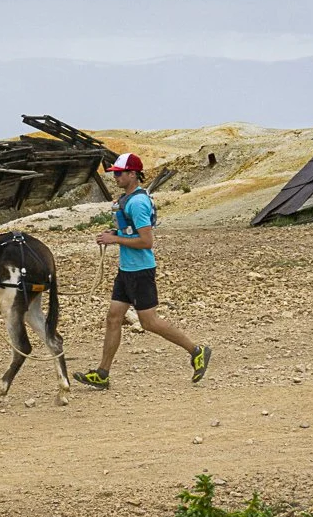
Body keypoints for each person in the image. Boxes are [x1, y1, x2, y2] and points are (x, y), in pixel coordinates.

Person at [73, 153, 210, 390]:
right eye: (115, 173)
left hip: (140, 271)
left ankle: (196, 351)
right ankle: (102, 373)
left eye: (119, 173)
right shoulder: (128, 199)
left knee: (149, 322)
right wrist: (115, 234)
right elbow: (131, 232)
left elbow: (147, 241)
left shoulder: (137, 203)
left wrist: (115, 239)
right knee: (113, 317)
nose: (115, 177)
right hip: (127, 270)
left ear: (132, 174)